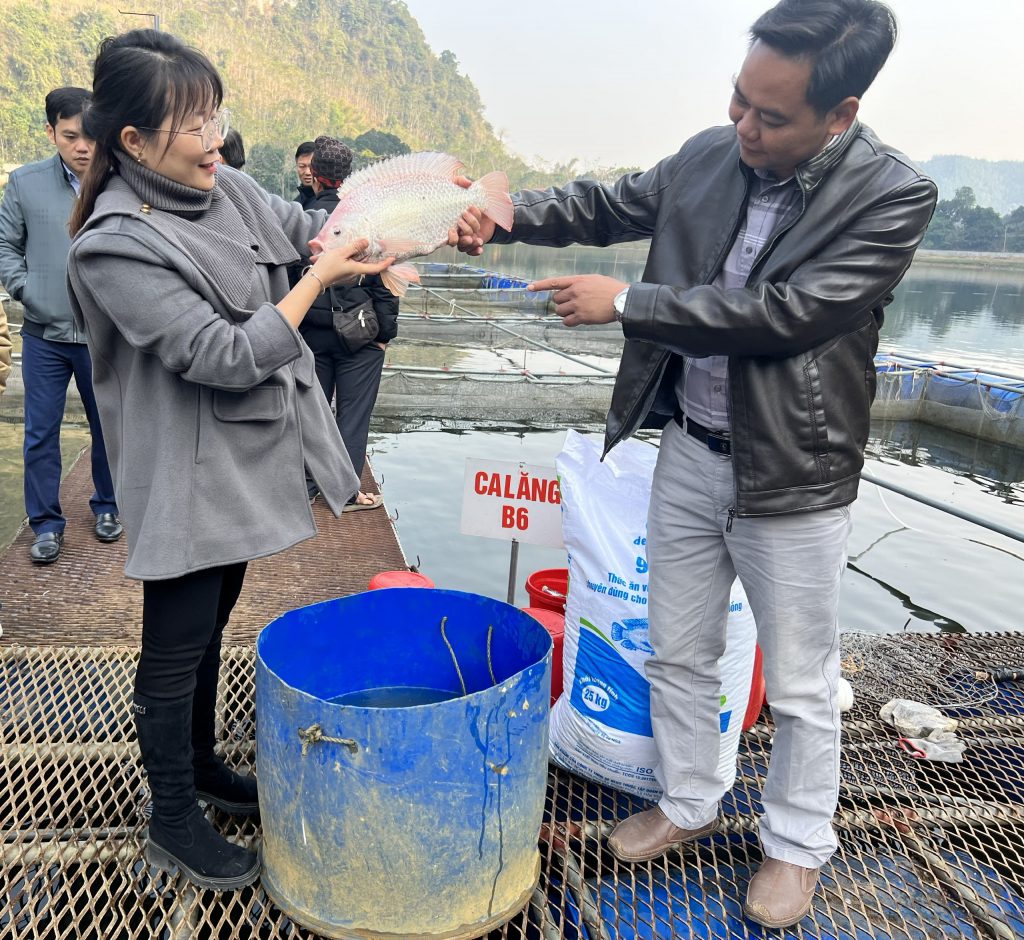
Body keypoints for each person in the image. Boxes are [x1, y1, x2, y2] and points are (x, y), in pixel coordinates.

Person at [452, 0, 937, 928]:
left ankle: (796, 848)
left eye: (771, 115)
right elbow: (602, 203)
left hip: (793, 477)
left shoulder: (892, 196)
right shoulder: (713, 153)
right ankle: (685, 802)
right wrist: (494, 213)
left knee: (799, 684)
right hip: (689, 451)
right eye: (739, 100)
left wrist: (632, 302)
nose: (743, 126)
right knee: (678, 649)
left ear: (841, 113)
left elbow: (789, 314)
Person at [66, 30, 392, 891]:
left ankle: (205, 766)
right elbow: (220, 353)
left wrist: (399, 225)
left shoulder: (229, 188)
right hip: (181, 469)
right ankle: (171, 818)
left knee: (213, 622)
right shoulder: (112, 243)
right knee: (174, 644)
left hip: (243, 453)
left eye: (216, 115)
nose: (215, 139)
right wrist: (318, 281)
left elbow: (311, 225)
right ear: (133, 143)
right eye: (191, 124)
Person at [0, 87, 122, 565]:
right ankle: (46, 524)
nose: (82, 146)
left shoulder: (119, 183)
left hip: (104, 334)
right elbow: (5, 246)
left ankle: (108, 506)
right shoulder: (25, 184)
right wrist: (29, 290)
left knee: (109, 426)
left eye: (91, 136)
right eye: (70, 136)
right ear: (51, 132)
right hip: (43, 336)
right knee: (40, 431)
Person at [300, 135, 395, 510]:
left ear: (316, 175)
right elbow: (387, 278)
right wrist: (385, 335)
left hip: (311, 332)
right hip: (360, 333)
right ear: (348, 176)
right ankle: (346, 492)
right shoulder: (365, 218)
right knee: (352, 416)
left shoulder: (302, 216)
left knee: (313, 412)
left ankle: (307, 486)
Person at [293, 141, 316, 208]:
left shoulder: (328, 201)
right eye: (302, 166)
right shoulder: (295, 205)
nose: (307, 172)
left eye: (312, 166)